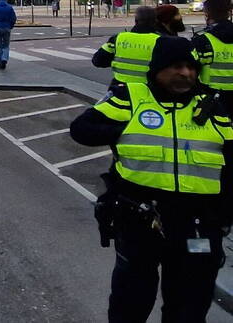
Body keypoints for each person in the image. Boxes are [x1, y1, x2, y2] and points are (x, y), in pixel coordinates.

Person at [69, 36, 233, 322]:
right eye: (176, 66)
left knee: (189, 309)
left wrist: (224, 213)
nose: (186, 73)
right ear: (157, 69)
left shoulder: (212, 107)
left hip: (198, 225)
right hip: (141, 219)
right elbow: (82, 129)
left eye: (191, 67)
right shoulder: (131, 97)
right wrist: (120, 130)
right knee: (130, 303)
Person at [92, 6, 160, 87]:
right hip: (150, 91)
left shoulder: (118, 38)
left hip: (120, 91)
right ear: (155, 21)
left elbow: (97, 61)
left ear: (135, 21)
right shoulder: (161, 40)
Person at [192, 0, 233, 110]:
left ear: (207, 15)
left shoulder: (202, 41)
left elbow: (192, 70)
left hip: (212, 97)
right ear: (229, 13)